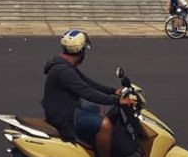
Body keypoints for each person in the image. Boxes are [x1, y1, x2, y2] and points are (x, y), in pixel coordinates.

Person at [42, 29, 134, 157]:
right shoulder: (64, 71)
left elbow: (88, 82)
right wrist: (117, 100)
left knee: (99, 110)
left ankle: (93, 148)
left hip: (67, 108)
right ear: (80, 51)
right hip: (63, 116)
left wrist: (113, 91)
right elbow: (87, 92)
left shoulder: (64, 65)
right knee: (105, 125)